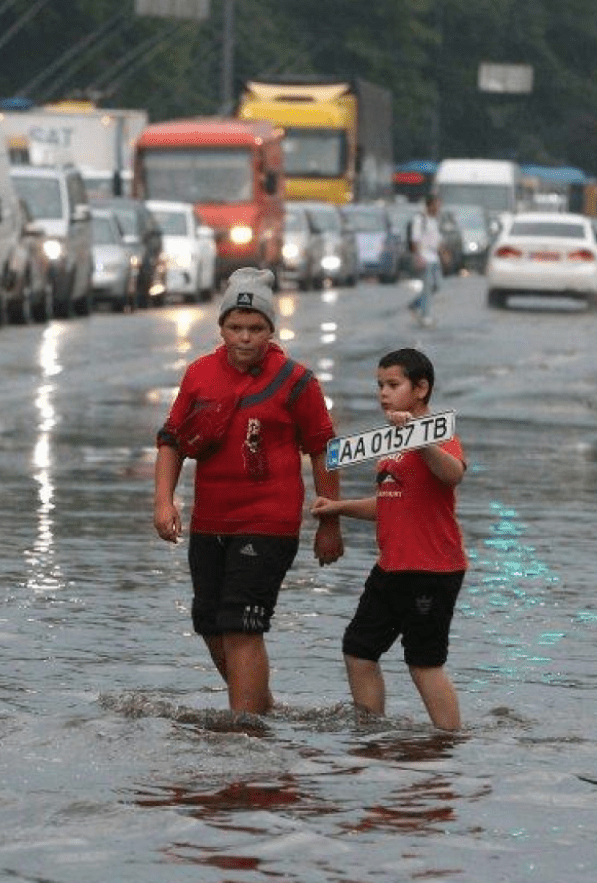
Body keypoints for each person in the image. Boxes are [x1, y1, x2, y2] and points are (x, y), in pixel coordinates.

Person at [153, 267, 344, 715]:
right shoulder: (199, 374)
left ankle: (244, 727)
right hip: (210, 521)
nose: (244, 338)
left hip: (269, 522)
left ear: (271, 330)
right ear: (220, 328)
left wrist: (328, 522)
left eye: (255, 329)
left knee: (242, 625)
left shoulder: (297, 382)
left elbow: (323, 450)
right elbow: (172, 441)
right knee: (210, 623)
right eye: (235, 327)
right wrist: (163, 501)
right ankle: (258, 706)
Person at [311, 348, 466, 731]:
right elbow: (389, 503)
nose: (383, 393)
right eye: (380, 385)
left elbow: (452, 474)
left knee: (423, 664)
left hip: (432, 568)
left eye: (393, 385)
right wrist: (338, 507)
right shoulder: (390, 443)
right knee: (359, 651)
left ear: (421, 388)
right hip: (391, 566)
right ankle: (371, 733)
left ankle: (450, 743)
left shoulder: (438, 433)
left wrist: (420, 441)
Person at [407, 193, 444, 326]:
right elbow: (414, 239)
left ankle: (415, 304)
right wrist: (417, 256)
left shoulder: (435, 220)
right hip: (424, 257)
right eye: (436, 204)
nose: (438, 207)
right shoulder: (420, 219)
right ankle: (425, 316)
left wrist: (443, 253)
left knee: (437, 285)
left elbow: (437, 239)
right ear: (429, 205)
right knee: (427, 287)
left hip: (434, 258)